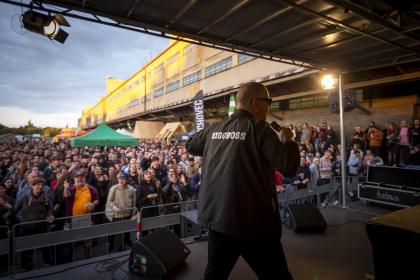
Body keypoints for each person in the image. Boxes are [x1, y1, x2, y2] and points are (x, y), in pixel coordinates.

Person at [185, 82, 299, 280]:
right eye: (268, 103)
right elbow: (289, 167)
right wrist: (289, 140)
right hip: (253, 223)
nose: (269, 108)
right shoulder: (260, 129)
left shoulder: (215, 128)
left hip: (218, 220)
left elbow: (191, 145)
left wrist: (221, 134)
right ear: (255, 103)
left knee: (214, 276)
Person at [1, 178, 54, 272]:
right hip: (26, 226)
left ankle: (48, 265)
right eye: (38, 185)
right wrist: (10, 208)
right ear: (32, 186)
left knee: (44, 247)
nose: (40, 187)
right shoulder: (24, 197)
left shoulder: (45, 197)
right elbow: (15, 211)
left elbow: (49, 208)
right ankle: (23, 268)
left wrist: (49, 215)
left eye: (42, 185)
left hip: (40, 225)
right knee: (25, 249)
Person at [63, 170, 99, 259]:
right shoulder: (71, 188)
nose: (80, 179)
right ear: (74, 178)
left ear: (85, 177)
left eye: (82, 177)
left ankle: (87, 256)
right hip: (71, 220)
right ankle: (68, 259)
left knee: (87, 240)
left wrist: (93, 204)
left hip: (87, 219)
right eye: (77, 177)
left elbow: (97, 198)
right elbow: (66, 198)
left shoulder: (91, 188)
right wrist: (66, 188)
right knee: (68, 241)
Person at [106, 173, 136, 252]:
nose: (121, 181)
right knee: (119, 236)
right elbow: (109, 201)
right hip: (118, 215)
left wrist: (133, 214)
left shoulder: (131, 189)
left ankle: (122, 249)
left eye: (123, 179)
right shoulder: (114, 188)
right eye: (120, 179)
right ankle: (117, 252)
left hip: (128, 214)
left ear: (127, 180)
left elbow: (134, 202)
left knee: (126, 234)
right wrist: (114, 207)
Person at [136, 170, 160, 237]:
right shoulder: (140, 187)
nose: (149, 175)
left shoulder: (153, 184)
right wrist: (147, 197)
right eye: (147, 174)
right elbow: (138, 201)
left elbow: (156, 192)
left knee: (155, 227)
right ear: (143, 176)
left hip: (154, 208)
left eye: (149, 174)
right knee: (145, 230)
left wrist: (156, 195)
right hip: (146, 210)